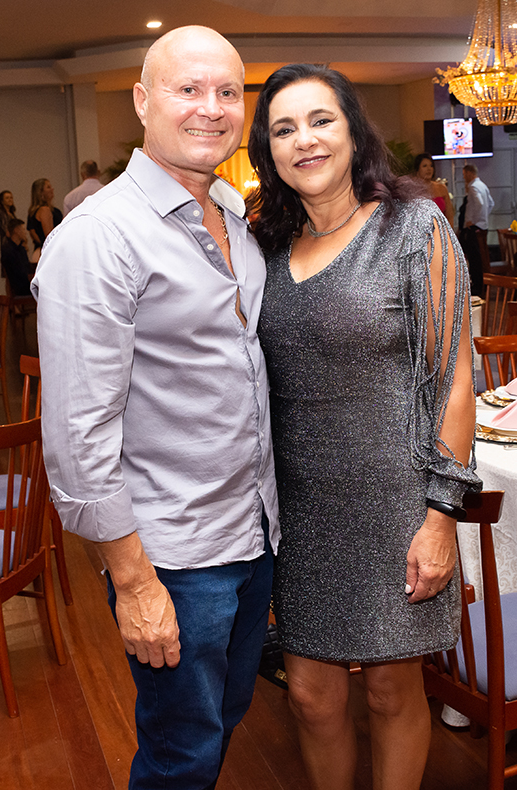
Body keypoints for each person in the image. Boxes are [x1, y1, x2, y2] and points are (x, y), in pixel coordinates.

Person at [31, 25, 279, 790]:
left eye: (228, 91)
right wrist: (135, 584)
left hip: (252, 532)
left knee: (221, 722)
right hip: (174, 558)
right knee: (181, 755)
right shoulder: (98, 237)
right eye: (188, 89)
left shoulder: (233, 213)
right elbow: (78, 435)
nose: (212, 107)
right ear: (143, 101)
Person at [247, 64, 481, 790]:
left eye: (321, 120)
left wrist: (441, 517)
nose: (305, 140)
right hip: (300, 511)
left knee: (389, 692)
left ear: (353, 131)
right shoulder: (266, 248)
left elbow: (455, 381)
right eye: (284, 129)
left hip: (397, 506)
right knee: (311, 697)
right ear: (269, 152)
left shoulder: (413, 228)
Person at [460, 163, 495, 296]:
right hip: (483, 226)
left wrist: (473, 221)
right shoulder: (483, 185)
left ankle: (476, 286)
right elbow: (491, 203)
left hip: (474, 227)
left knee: (474, 258)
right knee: (480, 257)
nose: (464, 178)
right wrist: (484, 217)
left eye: (464, 175)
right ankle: (482, 286)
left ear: (469, 173)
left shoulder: (473, 187)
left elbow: (480, 203)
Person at [413, 152, 455, 227]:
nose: (429, 169)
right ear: (417, 170)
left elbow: (450, 215)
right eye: (424, 166)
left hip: (441, 230)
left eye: (431, 166)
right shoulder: (412, 190)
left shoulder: (441, 188)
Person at [27, 178, 62, 259]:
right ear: (41, 192)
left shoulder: (33, 211)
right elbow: (49, 235)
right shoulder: (44, 210)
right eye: (48, 187)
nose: (52, 189)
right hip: (50, 251)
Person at [1, 218, 32, 296]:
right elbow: (19, 273)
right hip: (20, 289)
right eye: (23, 229)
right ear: (16, 230)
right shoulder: (9, 252)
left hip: (26, 285)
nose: (25, 232)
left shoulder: (21, 249)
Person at [0, 190, 17, 276]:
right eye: (7, 198)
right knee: (9, 272)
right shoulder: (1, 214)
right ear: (2, 201)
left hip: (14, 244)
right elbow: (6, 230)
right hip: (8, 244)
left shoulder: (11, 213)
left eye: (11, 197)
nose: (10, 200)